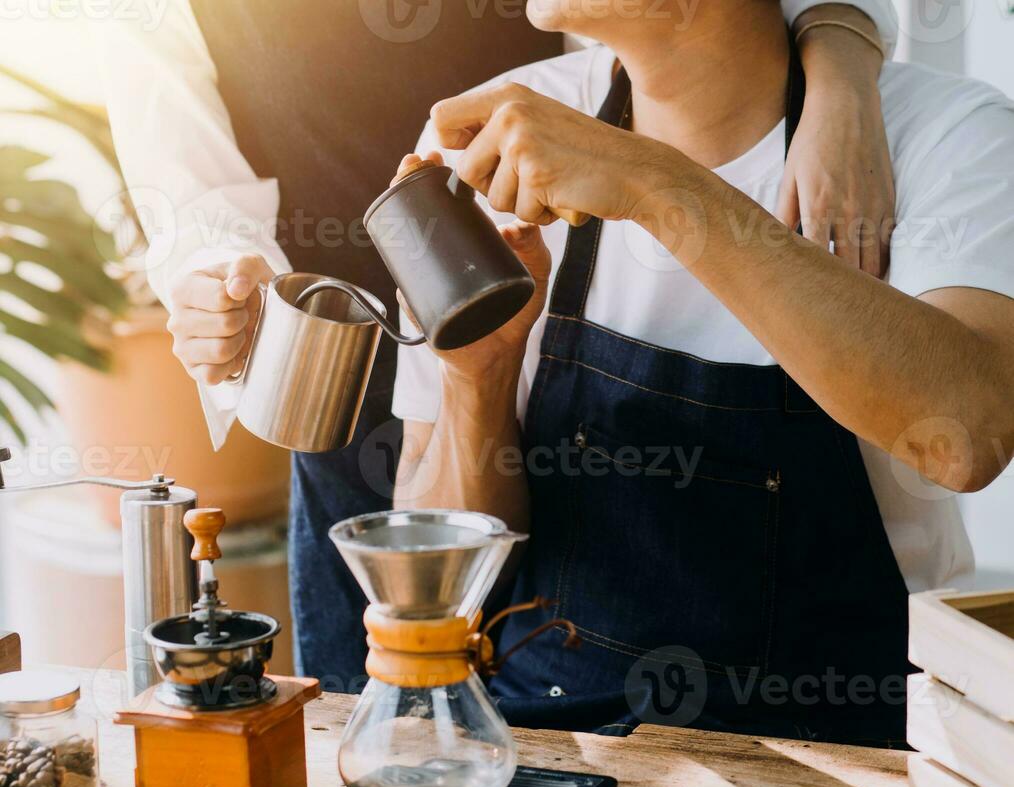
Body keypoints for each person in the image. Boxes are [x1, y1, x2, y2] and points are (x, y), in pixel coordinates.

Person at [95, 0, 898, 689]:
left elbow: (709, 26)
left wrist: (840, 82)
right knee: (369, 744)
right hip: (334, 371)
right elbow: (185, 177)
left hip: (540, 282)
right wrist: (222, 287)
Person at [392, 0, 1014, 747]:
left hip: (851, 774)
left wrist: (656, 186)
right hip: (546, 757)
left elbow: (966, 436)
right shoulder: (491, 137)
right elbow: (426, 582)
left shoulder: (946, 134)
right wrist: (477, 381)